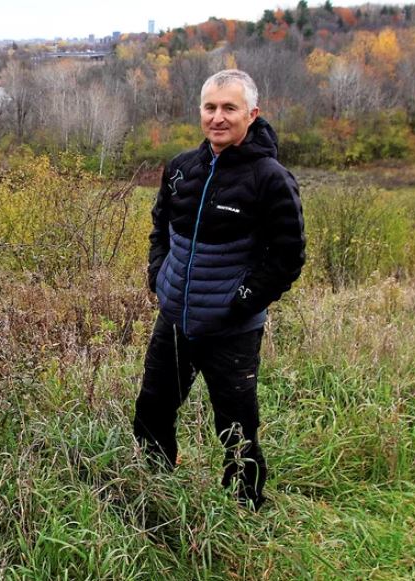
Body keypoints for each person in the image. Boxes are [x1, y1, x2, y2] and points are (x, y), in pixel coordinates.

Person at [133, 70, 305, 510]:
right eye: (210, 107)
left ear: (252, 113)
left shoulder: (270, 178)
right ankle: (156, 491)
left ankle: (247, 505)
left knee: (235, 424)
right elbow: (161, 229)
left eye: (230, 108)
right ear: (200, 112)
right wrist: (159, 276)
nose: (218, 117)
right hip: (175, 318)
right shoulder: (181, 169)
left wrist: (241, 302)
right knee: (153, 408)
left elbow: (287, 256)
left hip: (231, 329)